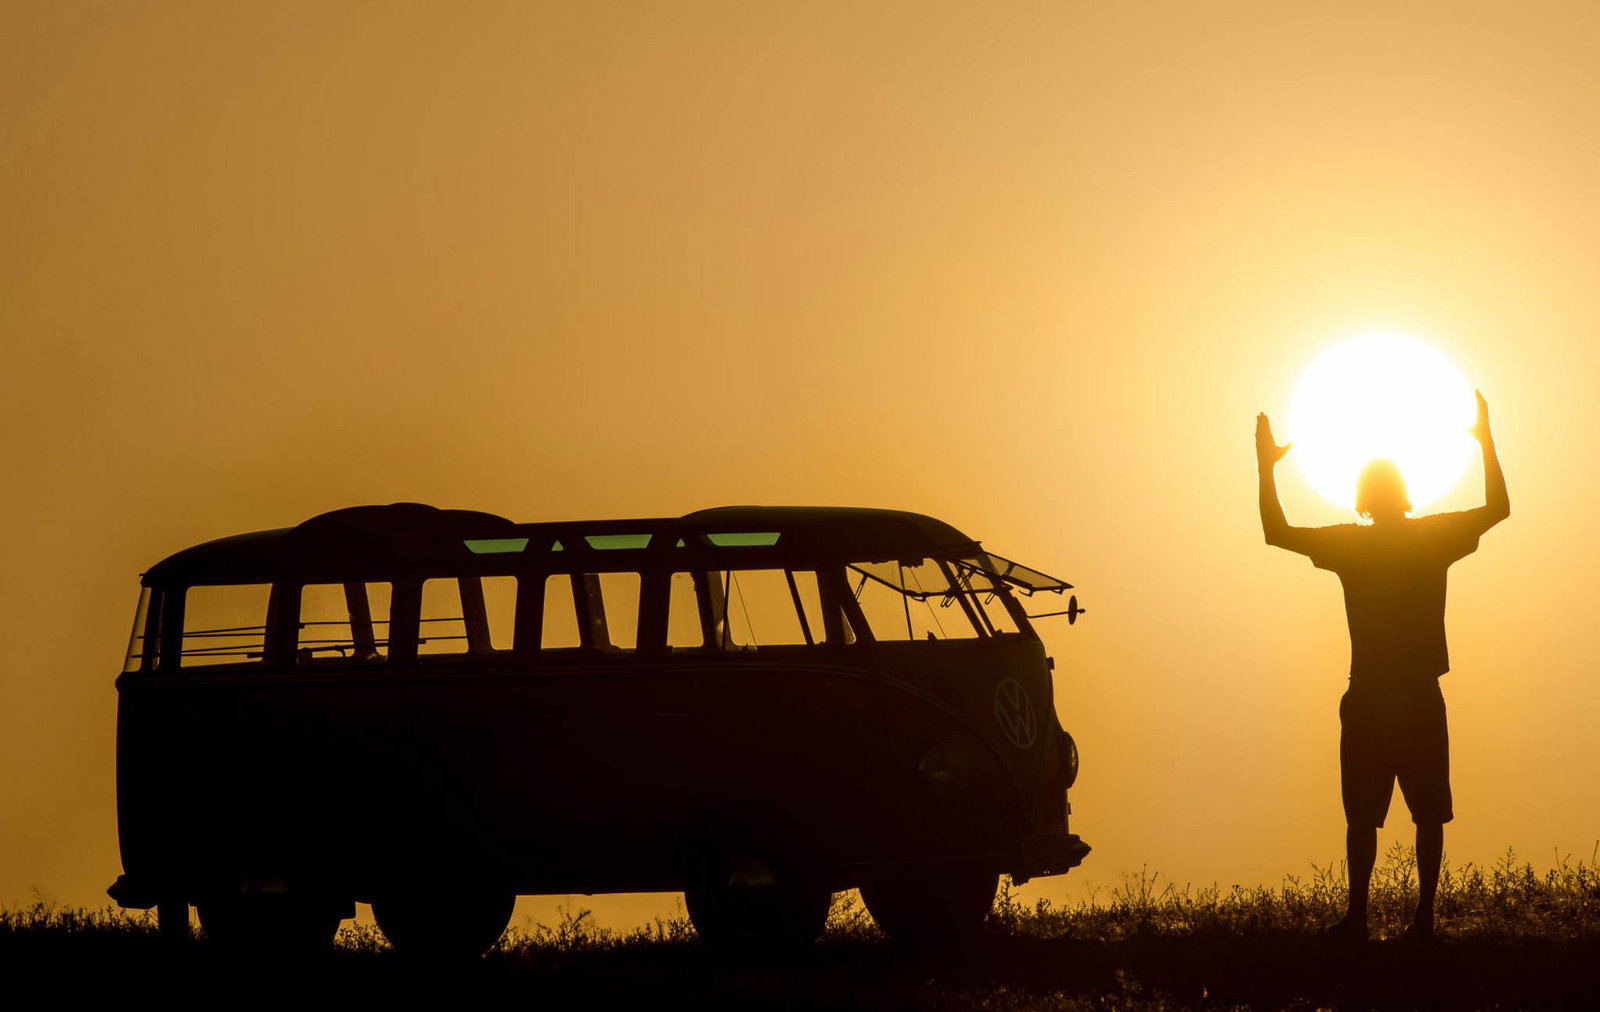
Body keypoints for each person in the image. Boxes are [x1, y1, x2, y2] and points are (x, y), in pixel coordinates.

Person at [1256, 391, 1509, 942]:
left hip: (1370, 695)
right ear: (1403, 493)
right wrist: (1485, 441)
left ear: (1362, 498)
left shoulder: (1354, 546)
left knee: (1363, 815)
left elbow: (1276, 532)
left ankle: (1358, 918)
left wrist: (1265, 466)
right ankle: (1421, 920)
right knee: (1427, 815)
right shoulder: (1430, 539)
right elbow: (1498, 509)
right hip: (1417, 696)